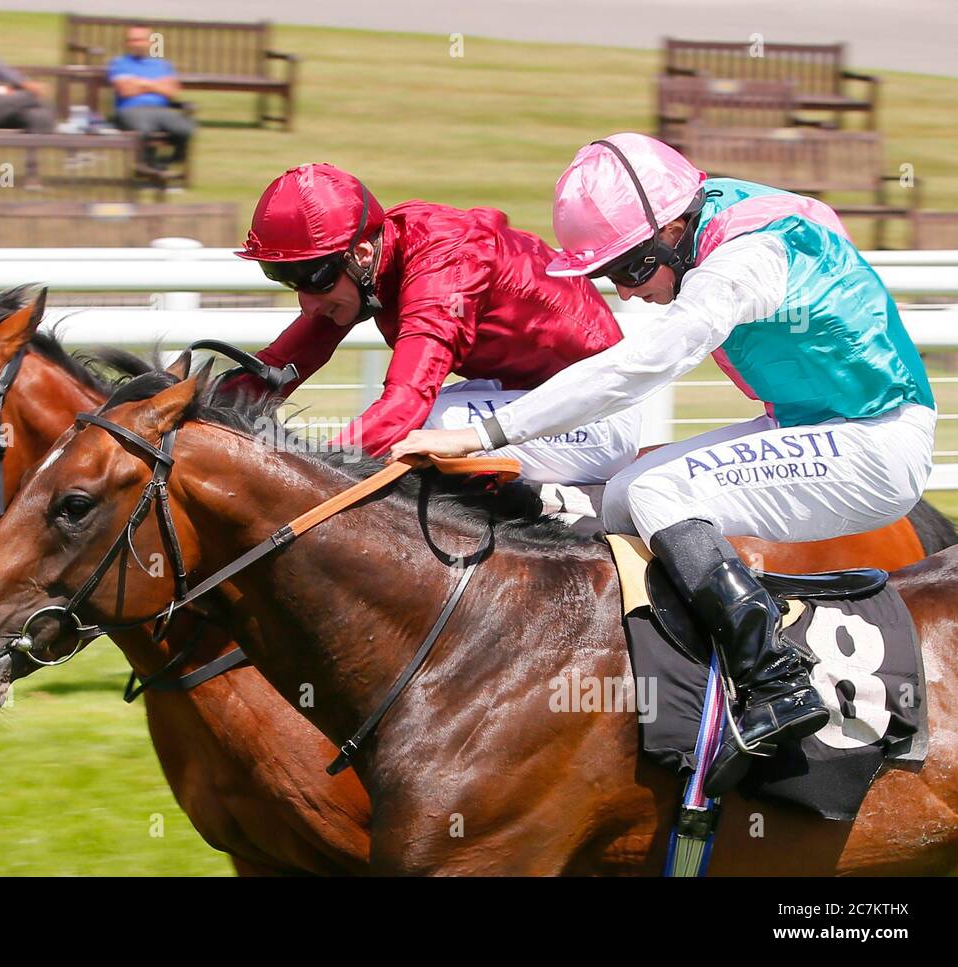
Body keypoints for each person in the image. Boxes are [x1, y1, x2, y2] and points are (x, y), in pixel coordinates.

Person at [389, 133, 936, 795]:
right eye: (609, 274)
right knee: (621, 495)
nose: (627, 291)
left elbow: (639, 369)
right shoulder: (716, 217)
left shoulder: (745, 259)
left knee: (660, 490)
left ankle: (775, 680)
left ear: (676, 227)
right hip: (816, 424)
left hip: (875, 446)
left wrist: (485, 434)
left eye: (634, 267)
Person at [227, 163, 640, 485]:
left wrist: (310, 477)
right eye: (282, 278)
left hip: (597, 418)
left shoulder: (445, 269)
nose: (307, 302)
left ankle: (540, 515)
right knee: (407, 428)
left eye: (312, 277)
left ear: (363, 253)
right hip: (534, 397)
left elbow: (407, 403)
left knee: (428, 425)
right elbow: (282, 365)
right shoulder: (372, 261)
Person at [107, 25, 195, 173]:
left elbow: (172, 91)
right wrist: (157, 85)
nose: (137, 44)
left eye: (141, 40)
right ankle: (145, 166)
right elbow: (125, 90)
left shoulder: (162, 65)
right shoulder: (119, 63)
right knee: (144, 129)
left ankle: (167, 161)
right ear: (127, 44)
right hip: (131, 110)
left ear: (149, 42)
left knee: (185, 128)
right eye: (132, 40)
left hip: (161, 110)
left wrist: (140, 83)